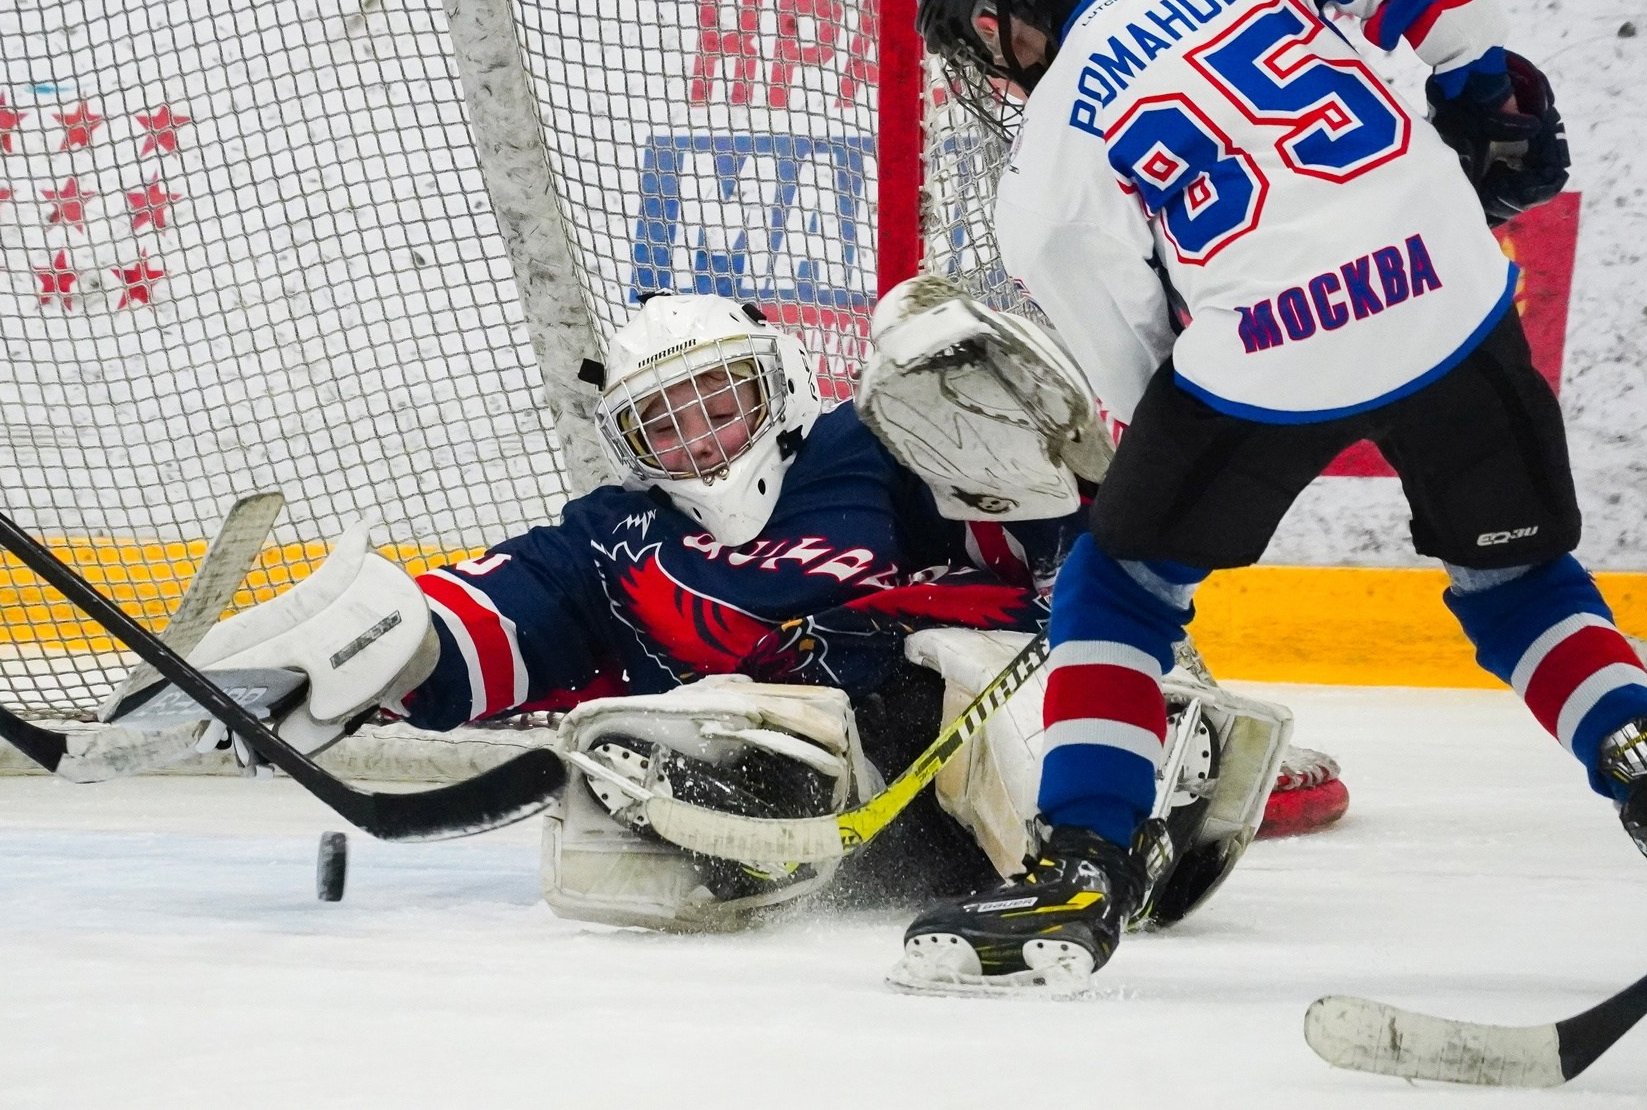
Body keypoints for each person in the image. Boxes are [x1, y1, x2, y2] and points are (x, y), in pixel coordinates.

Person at [891, 0, 1647, 992]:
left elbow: (1137, 377)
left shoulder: (1045, 163)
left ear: (993, 18)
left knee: (1119, 585)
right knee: (1520, 584)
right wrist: (1477, 97)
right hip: (1453, 287)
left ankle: (1080, 870)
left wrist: (1185, 463)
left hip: (1269, 350)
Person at [105, 290, 1301, 935]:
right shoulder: (612, 539)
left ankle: (1130, 811)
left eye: (718, 403)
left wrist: (1052, 475)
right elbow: (488, 621)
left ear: (777, 386)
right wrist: (358, 662)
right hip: (820, 808)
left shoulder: (882, 441)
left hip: (965, 734)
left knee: (971, 664)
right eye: (662, 426)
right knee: (707, 713)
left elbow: (1057, 542)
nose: (700, 442)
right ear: (631, 447)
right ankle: (723, 837)